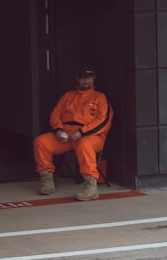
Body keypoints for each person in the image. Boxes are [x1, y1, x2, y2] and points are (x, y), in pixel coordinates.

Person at [33, 65, 113, 201]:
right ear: (77, 79)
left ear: (93, 79)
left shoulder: (100, 97)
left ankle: (91, 187)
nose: (85, 81)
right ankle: (47, 181)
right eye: (82, 78)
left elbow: (103, 121)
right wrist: (58, 129)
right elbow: (55, 114)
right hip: (67, 135)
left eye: (88, 78)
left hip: (91, 137)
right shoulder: (68, 96)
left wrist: (82, 132)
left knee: (84, 145)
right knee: (41, 141)